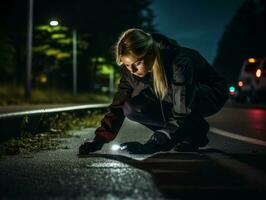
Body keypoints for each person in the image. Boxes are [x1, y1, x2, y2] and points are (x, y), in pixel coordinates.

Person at [79, 28, 228, 155]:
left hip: (209, 92)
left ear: (150, 54)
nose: (132, 70)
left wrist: (157, 141)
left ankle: (189, 129)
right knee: (131, 108)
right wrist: (99, 140)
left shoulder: (178, 62)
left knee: (171, 94)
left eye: (137, 63)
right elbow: (118, 105)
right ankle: (194, 131)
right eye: (127, 65)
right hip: (176, 97)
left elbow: (182, 105)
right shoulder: (130, 72)